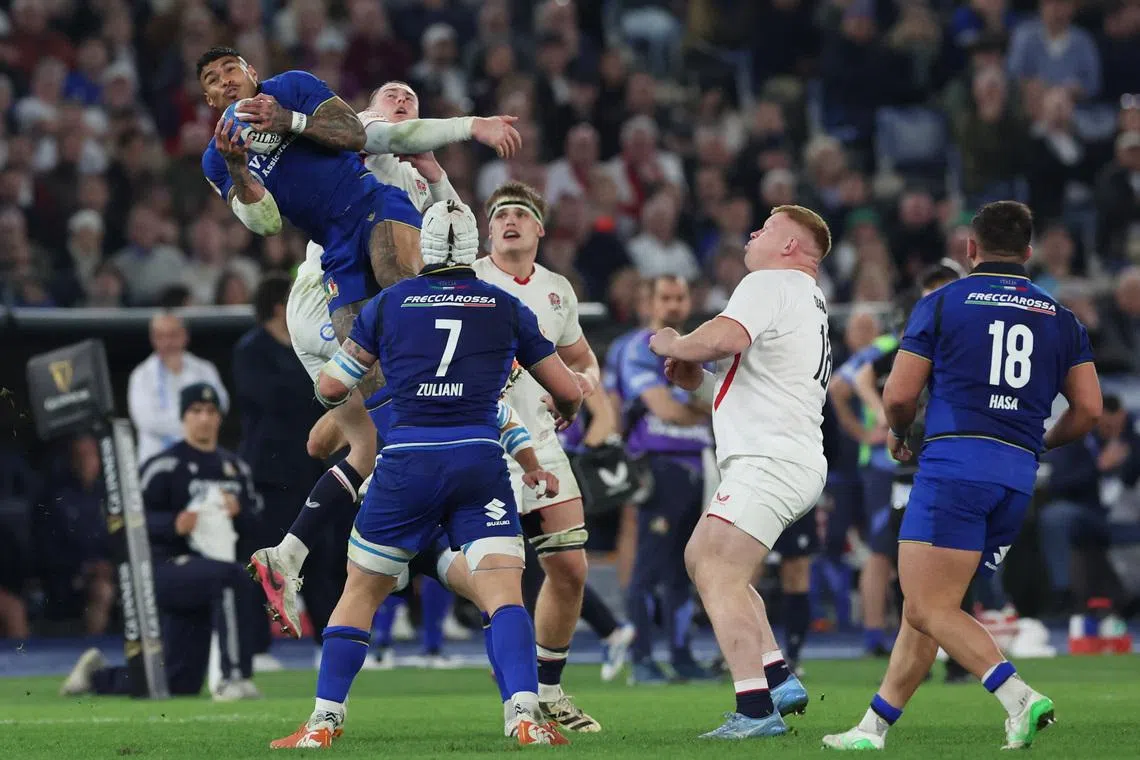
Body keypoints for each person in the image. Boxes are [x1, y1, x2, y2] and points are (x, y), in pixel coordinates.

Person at [269, 201, 582, 748]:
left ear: (425, 247)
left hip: (408, 460)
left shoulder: (389, 304)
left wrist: (338, 397)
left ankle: (323, 722)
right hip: (480, 463)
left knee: (361, 591)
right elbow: (568, 389)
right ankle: (525, 716)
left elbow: (335, 386)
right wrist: (565, 417)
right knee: (504, 593)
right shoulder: (504, 304)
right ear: (471, 249)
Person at [822, 201, 1102, 751]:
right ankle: (872, 728)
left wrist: (900, 434)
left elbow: (900, 393)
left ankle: (1018, 697)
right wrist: (1038, 442)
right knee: (926, 608)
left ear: (969, 250)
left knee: (928, 606)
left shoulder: (943, 302)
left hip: (954, 466)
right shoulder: (1060, 316)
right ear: (1028, 251)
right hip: (1016, 476)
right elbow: (1089, 410)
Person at [249, 80, 520, 639]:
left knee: (365, 446)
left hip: (342, 320)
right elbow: (394, 136)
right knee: (416, 434)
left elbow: (457, 246)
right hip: (334, 298)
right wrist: (475, 126)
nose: (401, 100)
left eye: (411, 97)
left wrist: (436, 171)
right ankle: (408, 556)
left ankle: (289, 552)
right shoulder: (359, 130)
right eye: (391, 94)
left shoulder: (419, 183)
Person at [649, 204, 834, 739]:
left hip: (770, 459)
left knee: (715, 567)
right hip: (785, 456)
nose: (754, 232)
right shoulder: (806, 301)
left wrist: (673, 342)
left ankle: (755, 709)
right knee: (704, 558)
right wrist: (697, 383)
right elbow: (750, 386)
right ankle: (775, 675)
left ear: (791, 248)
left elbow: (726, 338)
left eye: (768, 227)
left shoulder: (770, 281)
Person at [198, 47, 519, 348]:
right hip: (330, 255)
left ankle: (460, 369)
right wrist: (238, 167)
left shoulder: (292, 87)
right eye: (214, 79)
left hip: (374, 208)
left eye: (231, 69)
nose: (225, 79)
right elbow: (267, 225)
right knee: (362, 352)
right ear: (208, 99)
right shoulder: (218, 160)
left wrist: (288, 119)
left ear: (251, 72)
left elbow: (457, 235)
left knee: (396, 285)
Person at [471, 181, 613, 733]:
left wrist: (581, 383)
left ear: (539, 229)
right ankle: (519, 693)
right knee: (496, 577)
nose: (509, 221)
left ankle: (549, 691)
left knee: (571, 568)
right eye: (500, 214)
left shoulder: (557, 289)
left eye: (520, 215)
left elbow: (581, 357)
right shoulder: (473, 279)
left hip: (545, 447)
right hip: (485, 445)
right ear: (488, 230)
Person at [60, 384, 262, 700]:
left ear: (220, 419)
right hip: (166, 569)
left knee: (177, 681)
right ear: (183, 418)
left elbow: (256, 523)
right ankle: (235, 677)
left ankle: (96, 676)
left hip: (208, 573)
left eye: (211, 412)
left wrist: (242, 512)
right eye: (196, 411)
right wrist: (173, 524)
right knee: (232, 577)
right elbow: (126, 520)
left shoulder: (236, 468)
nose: (204, 419)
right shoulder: (164, 465)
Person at [616, 274, 715, 684]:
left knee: (682, 570)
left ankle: (681, 655)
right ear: (649, 303)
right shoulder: (639, 348)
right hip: (659, 465)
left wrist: (691, 404)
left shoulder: (699, 348)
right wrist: (695, 405)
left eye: (680, 297)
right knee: (648, 569)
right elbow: (666, 409)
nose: (673, 305)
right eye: (665, 298)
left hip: (701, 466)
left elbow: (717, 404)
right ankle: (641, 659)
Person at [231, 275, 330, 653]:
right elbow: (262, 395)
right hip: (270, 472)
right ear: (278, 306)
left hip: (309, 466)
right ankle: (256, 650)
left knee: (321, 557)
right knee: (264, 558)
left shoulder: (307, 345)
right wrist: (315, 388)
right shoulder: (251, 348)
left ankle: (329, 642)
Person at [128, 311, 229, 462]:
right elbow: (147, 421)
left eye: (173, 335)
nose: (168, 342)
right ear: (153, 339)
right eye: (161, 336)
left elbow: (221, 405)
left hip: (201, 458)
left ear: (185, 335)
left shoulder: (205, 370)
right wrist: (197, 422)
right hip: (157, 461)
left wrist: (192, 419)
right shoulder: (141, 376)